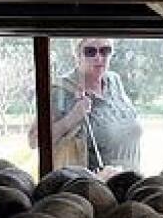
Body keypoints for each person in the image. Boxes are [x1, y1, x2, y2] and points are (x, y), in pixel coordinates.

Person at [30, 38, 142, 173]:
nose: (99, 57)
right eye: (90, 51)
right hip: (92, 187)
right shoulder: (61, 91)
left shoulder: (114, 81)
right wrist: (72, 118)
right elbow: (35, 140)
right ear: (77, 55)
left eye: (105, 51)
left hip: (130, 182)